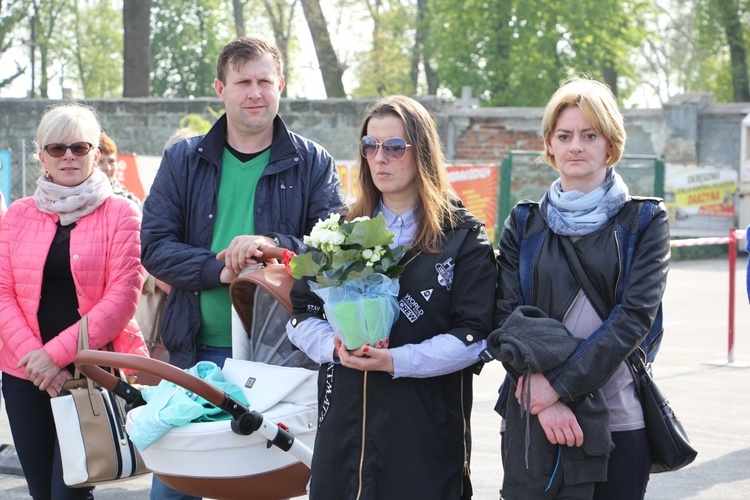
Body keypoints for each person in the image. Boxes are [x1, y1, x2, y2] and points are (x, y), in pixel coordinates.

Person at [140, 36, 346, 500]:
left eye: (265, 81)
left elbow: (333, 250)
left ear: (281, 86)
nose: (255, 92)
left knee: (260, 489)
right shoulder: (182, 159)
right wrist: (222, 272)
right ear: (221, 88)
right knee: (176, 489)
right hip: (195, 353)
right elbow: (154, 246)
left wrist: (272, 247)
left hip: (278, 358)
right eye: (243, 82)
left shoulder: (313, 162)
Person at [286, 95, 497, 499]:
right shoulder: (339, 230)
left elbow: (476, 337)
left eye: (395, 146)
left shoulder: (463, 238)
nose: (380, 157)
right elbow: (300, 316)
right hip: (344, 433)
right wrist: (334, 348)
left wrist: (396, 361)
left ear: (423, 153)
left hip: (423, 436)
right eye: (370, 145)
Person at [491, 78, 670, 499]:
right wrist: (545, 398)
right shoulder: (523, 222)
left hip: (618, 420)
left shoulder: (644, 221)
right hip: (534, 417)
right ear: (549, 145)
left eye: (590, 135)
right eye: (565, 135)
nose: (576, 146)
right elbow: (505, 320)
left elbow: (632, 319)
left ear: (610, 145)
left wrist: (557, 385)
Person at [0, 103, 148, 500]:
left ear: (95, 155)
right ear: (41, 155)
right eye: (56, 148)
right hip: (23, 375)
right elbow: (2, 293)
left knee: (70, 492)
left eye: (80, 148)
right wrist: (38, 361)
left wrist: (56, 357)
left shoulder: (122, 214)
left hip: (88, 375)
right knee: (41, 493)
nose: (68, 156)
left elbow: (122, 298)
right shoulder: (17, 215)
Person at [98, 130, 142, 208]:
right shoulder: (78, 199)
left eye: (111, 161)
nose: (107, 168)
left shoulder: (130, 201)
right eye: (100, 162)